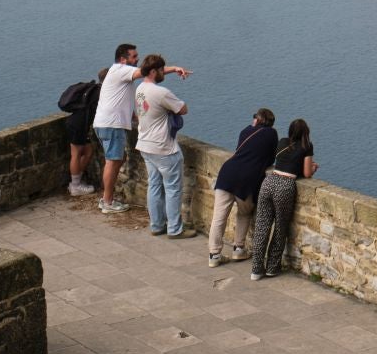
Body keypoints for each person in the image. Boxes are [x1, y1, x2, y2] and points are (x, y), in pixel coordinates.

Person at [92, 43, 190, 214]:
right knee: (113, 161)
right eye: (134, 57)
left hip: (105, 122)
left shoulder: (119, 74)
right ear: (123, 59)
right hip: (112, 124)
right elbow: (148, 71)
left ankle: (107, 199)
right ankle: (107, 202)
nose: (137, 60)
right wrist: (174, 68)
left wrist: (134, 116)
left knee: (116, 159)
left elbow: (120, 99)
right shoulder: (121, 70)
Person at [134, 54, 197, 239]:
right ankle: (175, 229)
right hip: (163, 148)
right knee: (172, 189)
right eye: (162, 70)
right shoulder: (161, 92)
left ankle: (156, 225)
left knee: (153, 185)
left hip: (145, 144)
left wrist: (173, 69)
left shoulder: (140, 88)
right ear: (154, 71)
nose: (164, 73)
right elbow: (183, 109)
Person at [207, 108, 278, 268]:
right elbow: (271, 158)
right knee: (245, 213)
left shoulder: (246, 131)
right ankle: (238, 249)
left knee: (219, 217)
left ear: (257, 120)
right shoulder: (272, 134)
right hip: (247, 179)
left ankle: (214, 255)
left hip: (227, 173)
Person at [250, 118, 316, 281]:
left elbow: (284, 162)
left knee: (262, 226)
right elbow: (307, 173)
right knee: (280, 227)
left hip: (269, 182)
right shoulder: (306, 146)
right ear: (305, 132)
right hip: (285, 186)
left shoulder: (282, 142)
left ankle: (256, 270)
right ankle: (272, 267)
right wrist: (313, 168)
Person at [64, 68, 107, 196]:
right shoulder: (101, 93)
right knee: (76, 153)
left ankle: (75, 182)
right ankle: (75, 186)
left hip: (77, 123)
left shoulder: (95, 89)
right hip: (78, 125)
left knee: (88, 151)